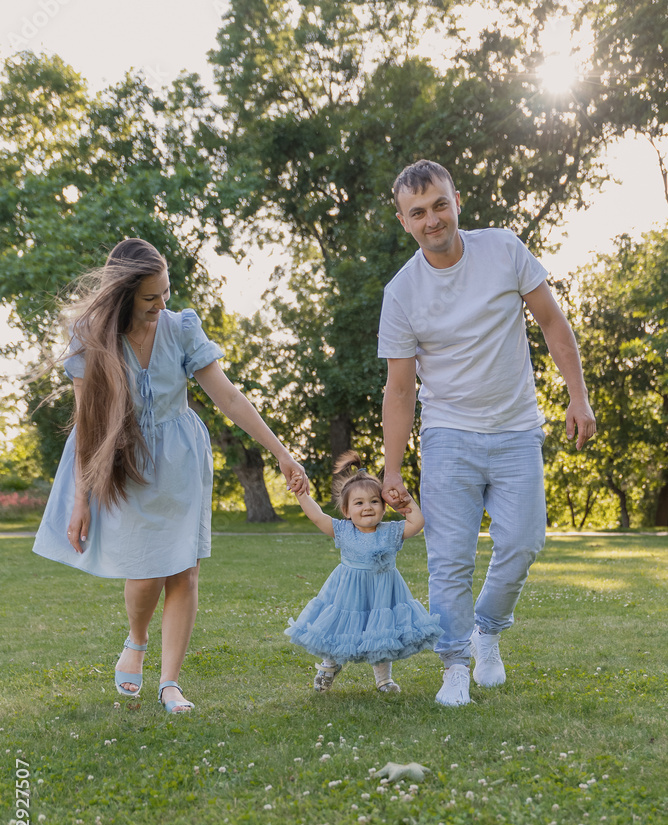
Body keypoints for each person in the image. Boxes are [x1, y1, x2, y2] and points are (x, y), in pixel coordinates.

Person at [33, 238, 307, 712]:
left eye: (165, 292)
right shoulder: (91, 338)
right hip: (128, 463)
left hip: (181, 461)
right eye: (150, 297)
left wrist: (281, 451)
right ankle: (136, 639)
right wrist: (80, 499)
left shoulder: (181, 327)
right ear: (123, 298)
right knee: (144, 573)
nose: (162, 304)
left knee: (184, 569)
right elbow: (88, 424)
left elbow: (230, 398)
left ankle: (170, 682)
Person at [378, 159, 596, 707]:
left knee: (523, 542)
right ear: (403, 221)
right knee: (449, 557)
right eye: (418, 212)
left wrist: (578, 395)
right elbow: (400, 390)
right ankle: (454, 665)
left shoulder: (503, 249)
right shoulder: (401, 293)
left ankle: (488, 630)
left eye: (440, 205)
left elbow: (552, 321)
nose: (433, 220)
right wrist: (392, 468)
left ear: (457, 202)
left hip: (517, 426)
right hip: (449, 434)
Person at [284, 451, 442, 693]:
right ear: (346, 511)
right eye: (359, 503)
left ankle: (383, 679)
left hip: (383, 592)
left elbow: (417, 523)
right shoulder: (344, 530)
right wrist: (301, 494)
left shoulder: (391, 531)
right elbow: (317, 517)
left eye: (374, 501)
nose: (367, 507)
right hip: (348, 592)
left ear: (384, 507)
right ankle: (329, 666)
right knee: (338, 629)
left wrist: (406, 501)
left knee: (381, 632)